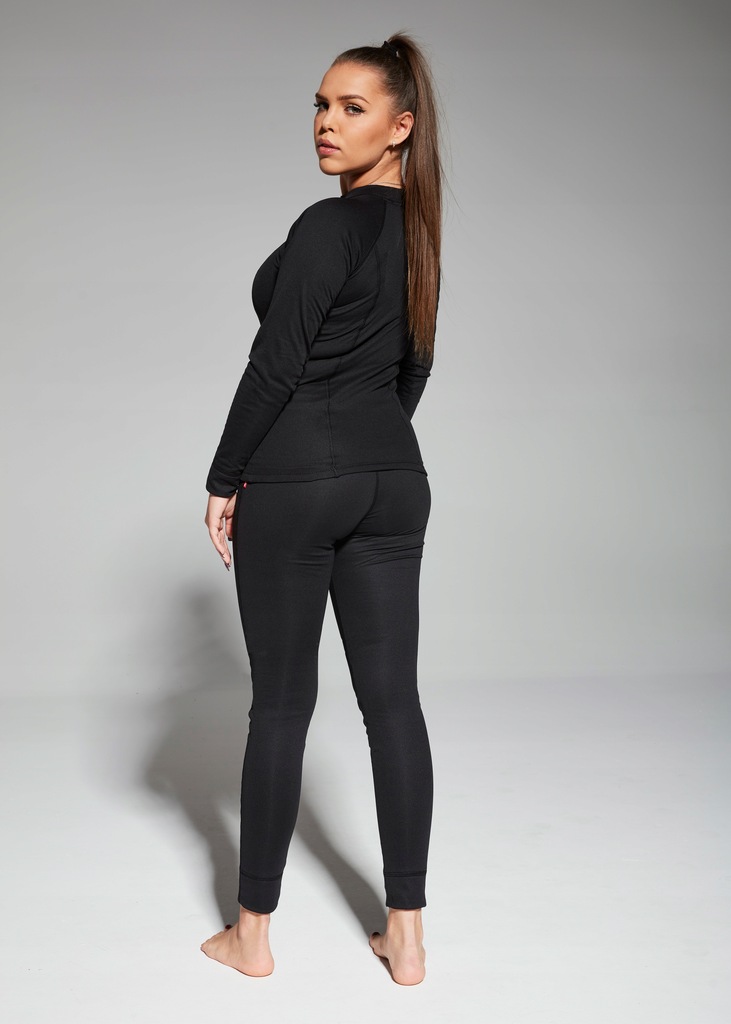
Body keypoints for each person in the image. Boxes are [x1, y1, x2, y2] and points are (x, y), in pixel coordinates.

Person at [200, 32, 443, 986]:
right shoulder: (419, 234)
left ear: (401, 126)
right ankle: (406, 938)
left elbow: (275, 366)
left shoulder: (324, 227)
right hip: (395, 480)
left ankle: (250, 936)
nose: (325, 123)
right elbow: (413, 367)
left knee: (280, 707)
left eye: (351, 107)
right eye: (319, 104)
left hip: (296, 481)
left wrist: (226, 477)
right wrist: (368, 444)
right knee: (394, 706)